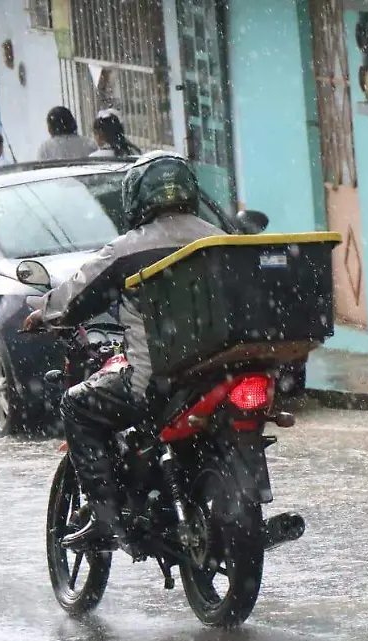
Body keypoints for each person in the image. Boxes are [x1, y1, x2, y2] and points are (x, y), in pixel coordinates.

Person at [23, 152, 224, 547]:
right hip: (217, 375)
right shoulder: (221, 242)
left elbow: (74, 296)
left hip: (158, 382)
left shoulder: (127, 250)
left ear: (137, 199)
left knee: (75, 406)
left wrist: (41, 315)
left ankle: (105, 516)